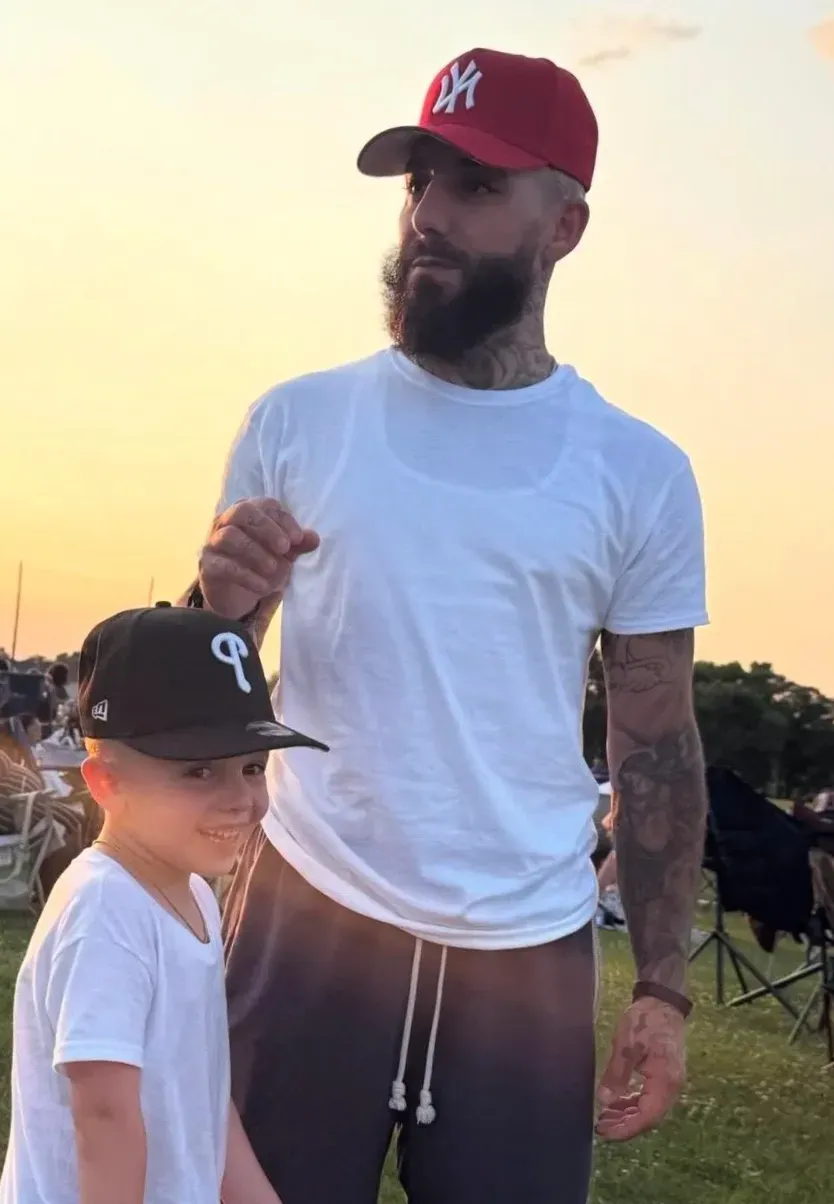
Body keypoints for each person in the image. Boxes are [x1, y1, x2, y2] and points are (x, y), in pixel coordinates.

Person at [185, 47, 709, 1204]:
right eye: (421, 179)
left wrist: (663, 991)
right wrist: (213, 606)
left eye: (475, 187)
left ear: (563, 225)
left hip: (524, 963)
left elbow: (657, 744)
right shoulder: (299, 421)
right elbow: (199, 701)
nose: (427, 215)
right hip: (306, 920)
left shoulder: (639, 473)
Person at [0, 603, 327, 1204]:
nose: (241, 800)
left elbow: (205, 1098)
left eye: (253, 767)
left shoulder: (194, 894)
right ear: (106, 784)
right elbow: (104, 1117)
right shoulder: (105, 909)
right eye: (199, 771)